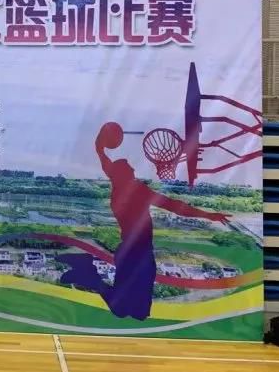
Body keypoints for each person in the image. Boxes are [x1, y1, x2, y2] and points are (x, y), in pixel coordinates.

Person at [61, 122, 228, 321]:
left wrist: (101, 142)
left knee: (137, 313)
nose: (133, 169)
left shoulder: (119, 185)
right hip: (136, 253)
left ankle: (87, 273)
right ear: (125, 175)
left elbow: (102, 157)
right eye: (130, 169)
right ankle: (88, 273)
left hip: (133, 251)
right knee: (123, 310)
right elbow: (173, 205)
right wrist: (208, 215)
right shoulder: (137, 190)